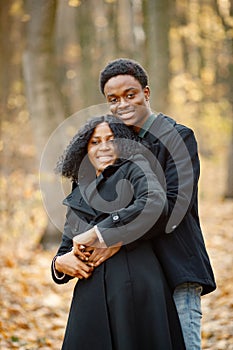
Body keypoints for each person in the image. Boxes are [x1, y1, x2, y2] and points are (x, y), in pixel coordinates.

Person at [94, 58, 216, 350]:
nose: (122, 103)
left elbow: (175, 204)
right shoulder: (116, 147)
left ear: (146, 93)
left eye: (130, 94)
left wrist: (115, 237)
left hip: (176, 267)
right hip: (136, 275)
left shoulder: (179, 137)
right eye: (114, 99)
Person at [51, 114, 185, 350]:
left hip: (135, 289)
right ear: (84, 149)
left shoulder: (134, 169)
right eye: (94, 142)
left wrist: (99, 233)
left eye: (110, 139)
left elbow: (154, 203)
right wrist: (60, 265)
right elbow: (66, 246)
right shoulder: (80, 190)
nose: (103, 147)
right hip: (91, 298)